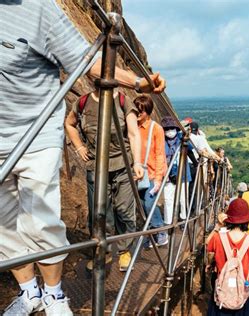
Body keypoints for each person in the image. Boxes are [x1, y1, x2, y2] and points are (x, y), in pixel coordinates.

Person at [0, 1, 165, 314]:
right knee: (4, 223)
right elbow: (75, 124)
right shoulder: (84, 103)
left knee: (41, 219)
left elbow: (87, 60)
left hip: (37, 135)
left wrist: (139, 82)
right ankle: (28, 292)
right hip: (5, 142)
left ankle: (54, 295)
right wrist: (78, 147)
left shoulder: (38, 8)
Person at [65, 89, 143, 272]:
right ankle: (103, 253)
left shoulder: (123, 101)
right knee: (99, 214)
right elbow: (69, 124)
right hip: (96, 166)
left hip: (123, 165)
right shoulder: (83, 102)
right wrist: (79, 147)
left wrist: (138, 162)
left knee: (124, 211)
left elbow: (133, 134)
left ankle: (124, 250)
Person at [134, 95, 168, 247]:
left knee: (149, 204)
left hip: (153, 173)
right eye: (136, 110)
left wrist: (159, 179)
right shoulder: (132, 127)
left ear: (147, 111)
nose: (137, 114)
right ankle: (151, 235)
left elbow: (160, 153)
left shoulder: (156, 128)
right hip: (138, 173)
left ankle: (161, 231)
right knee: (142, 207)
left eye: (141, 111)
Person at [161, 116, 198, 229]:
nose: (170, 131)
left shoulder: (181, 139)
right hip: (168, 175)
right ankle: (168, 223)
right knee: (168, 199)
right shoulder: (162, 141)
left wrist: (196, 164)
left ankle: (183, 220)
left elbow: (189, 152)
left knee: (183, 199)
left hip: (182, 174)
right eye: (167, 129)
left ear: (176, 129)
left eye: (172, 128)